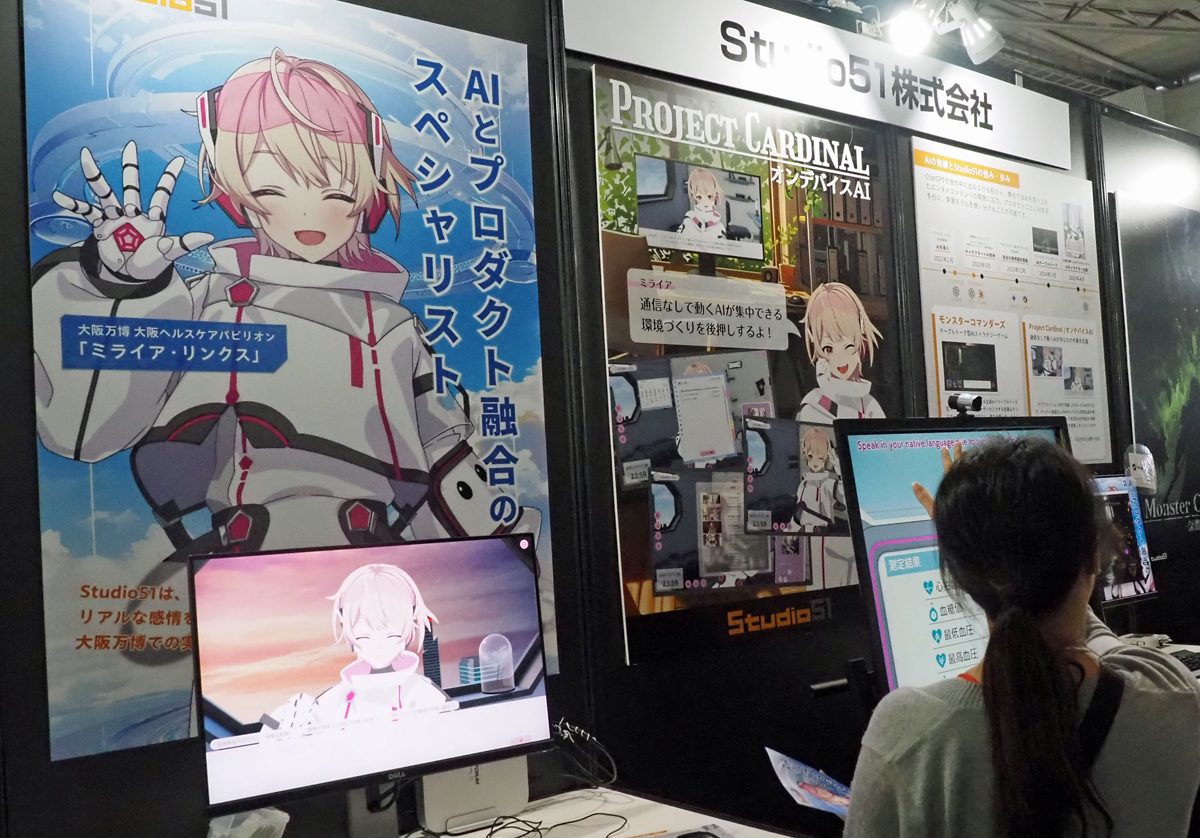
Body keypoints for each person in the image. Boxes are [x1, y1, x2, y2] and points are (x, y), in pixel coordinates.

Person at [34, 49, 540, 556]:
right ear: (236, 193)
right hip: (240, 552)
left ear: (367, 193)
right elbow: (86, 429)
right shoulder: (209, 301)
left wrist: (501, 554)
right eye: (271, 188)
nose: (305, 212)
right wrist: (123, 282)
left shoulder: (390, 323)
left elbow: (444, 459)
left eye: (336, 192)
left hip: (365, 550)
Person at [845, 437, 1200, 838]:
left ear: (962, 576)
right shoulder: (1171, 697)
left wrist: (975, 543)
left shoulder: (905, 735)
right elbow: (1098, 639)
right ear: (1095, 557)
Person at [266, 563, 450, 728]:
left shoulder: (422, 692)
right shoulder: (336, 697)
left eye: (391, 635)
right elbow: (279, 732)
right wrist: (283, 723)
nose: (378, 647)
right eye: (364, 636)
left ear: (410, 628)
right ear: (346, 630)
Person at [796, 282, 884, 424]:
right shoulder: (812, 405)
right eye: (828, 349)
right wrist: (828, 387)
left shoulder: (869, 406)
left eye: (849, 346)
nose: (840, 358)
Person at [677, 167, 726, 239]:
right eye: (699, 197)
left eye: (709, 196)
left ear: (715, 195)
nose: (705, 203)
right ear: (693, 195)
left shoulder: (719, 228)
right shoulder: (688, 221)